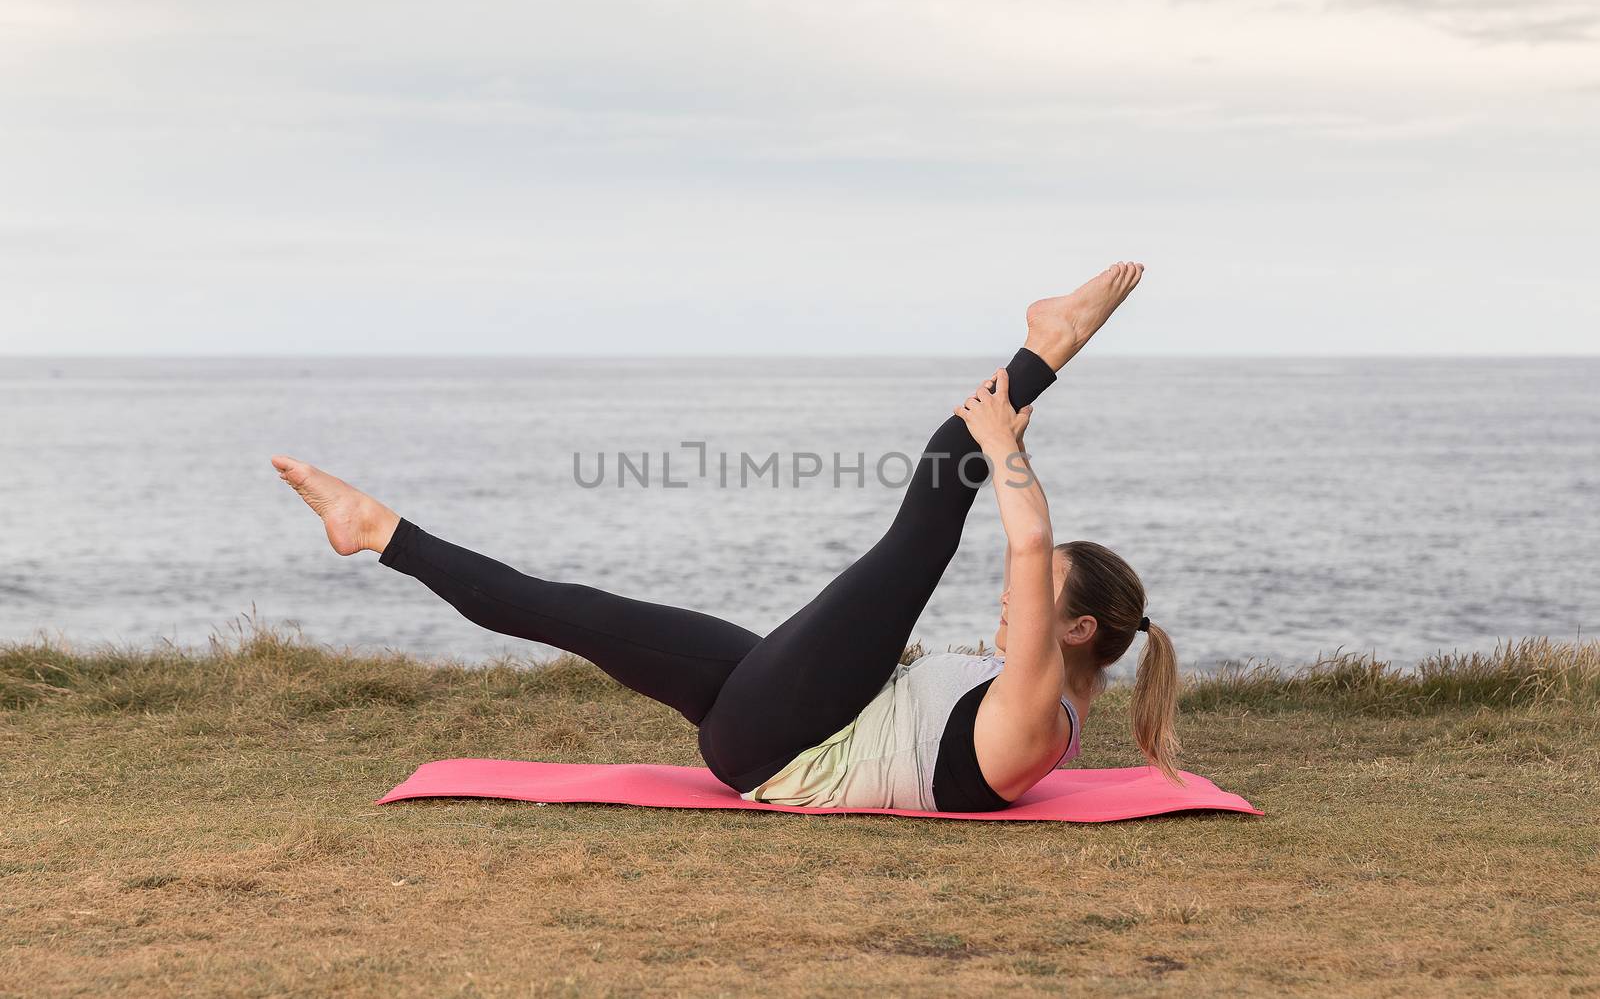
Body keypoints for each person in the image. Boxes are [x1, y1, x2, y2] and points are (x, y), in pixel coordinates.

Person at [271, 261, 1180, 813]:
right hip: (788, 714)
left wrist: (1000, 452)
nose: (1009, 597)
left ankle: (1050, 343)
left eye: (1034, 597)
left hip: (787, 744)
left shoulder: (1033, 708)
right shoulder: (1046, 687)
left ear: (1075, 630)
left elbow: (1029, 543)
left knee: (928, 523)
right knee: (576, 612)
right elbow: (1027, 559)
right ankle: (378, 529)